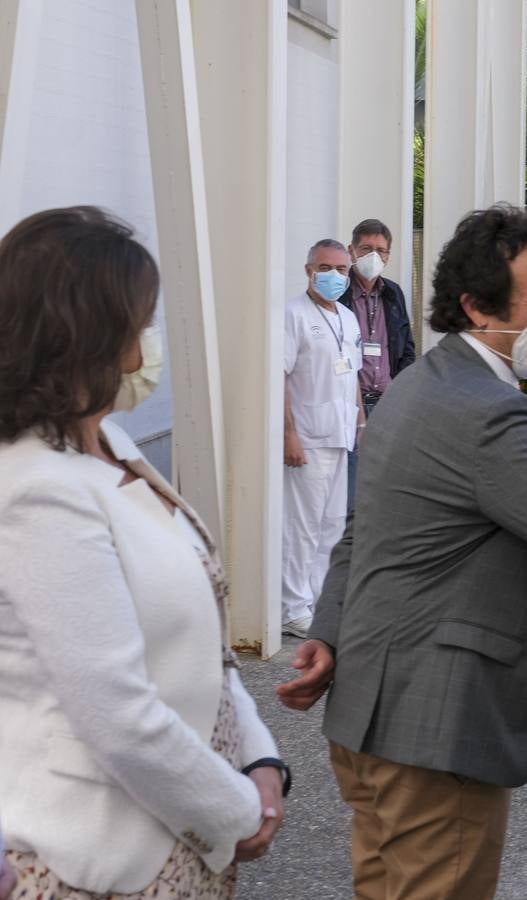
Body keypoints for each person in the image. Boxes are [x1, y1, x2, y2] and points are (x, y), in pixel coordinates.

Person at [277, 205, 527, 899]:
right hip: (436, 739)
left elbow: (364, 526)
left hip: (368, 715)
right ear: (477, 307)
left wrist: (326, 629)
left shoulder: (418, 385)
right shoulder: (494, 412)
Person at [0, 206, 287, 897]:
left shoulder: (112, 446)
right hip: (102, 859)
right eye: (141, 321)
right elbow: (118, 714)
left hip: (188, 824)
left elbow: (203, 637)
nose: (147, 344)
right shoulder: (39, 487)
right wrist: (237, 812)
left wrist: (261, 758)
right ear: (86, 334)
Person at [281, 239, 366, 638]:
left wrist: (360, 423)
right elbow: (279, 376)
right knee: (302, 526)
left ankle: (316, 600)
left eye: (342, 269)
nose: (333, 275)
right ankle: (291, 606)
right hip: (308, 437)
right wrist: (289, 435)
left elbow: (352, 376)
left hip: (341, 432)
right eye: (325, 267)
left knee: (332, 524)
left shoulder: (348, 318)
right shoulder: (292, 315)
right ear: (308, 270)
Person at [338, 218, 416, 513]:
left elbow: (406, 346)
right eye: (366, 248)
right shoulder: (339, 294)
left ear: (388, 256)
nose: (374, 256)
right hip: (349, 405)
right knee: (349, 492)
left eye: (381, 250)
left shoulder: (393, 293)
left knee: (384, 487)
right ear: (351, 251)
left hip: (386, 403)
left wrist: (401, 388)